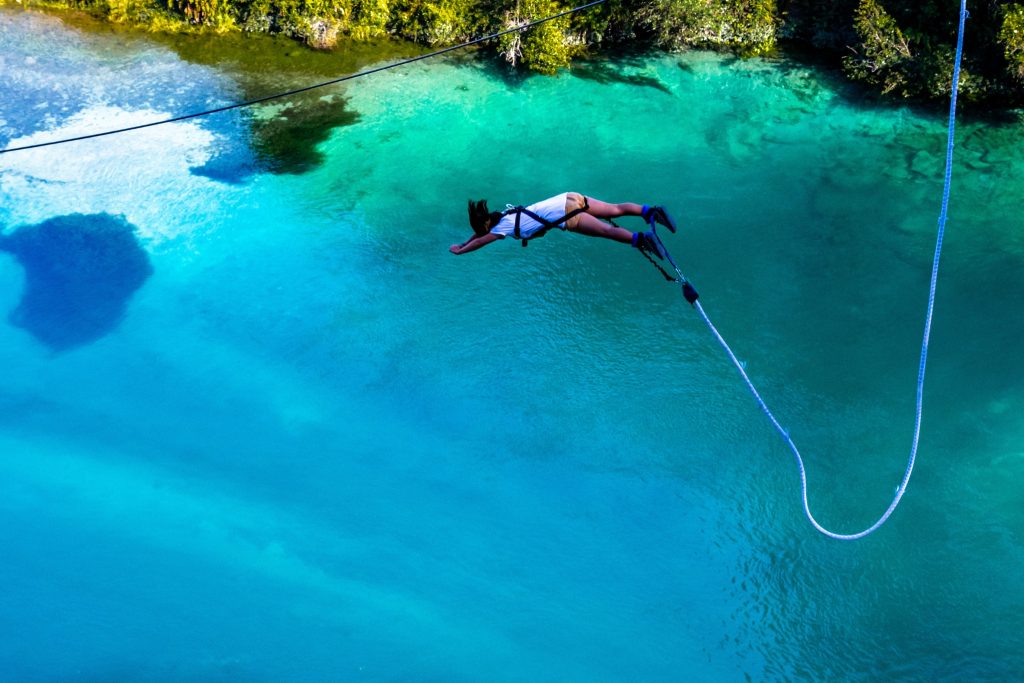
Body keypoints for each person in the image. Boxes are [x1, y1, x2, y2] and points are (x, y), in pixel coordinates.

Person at [449, 192, 676, 256]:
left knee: (607, 231)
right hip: (568, 197)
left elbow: (481, 241)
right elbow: (479, 235)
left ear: (486, 225)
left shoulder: (501, 230)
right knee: (615, 209)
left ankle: (643, 240)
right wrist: (462, 243)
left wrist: (462, 251)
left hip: (567, 214)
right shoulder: (503, 215)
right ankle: (652, 212)